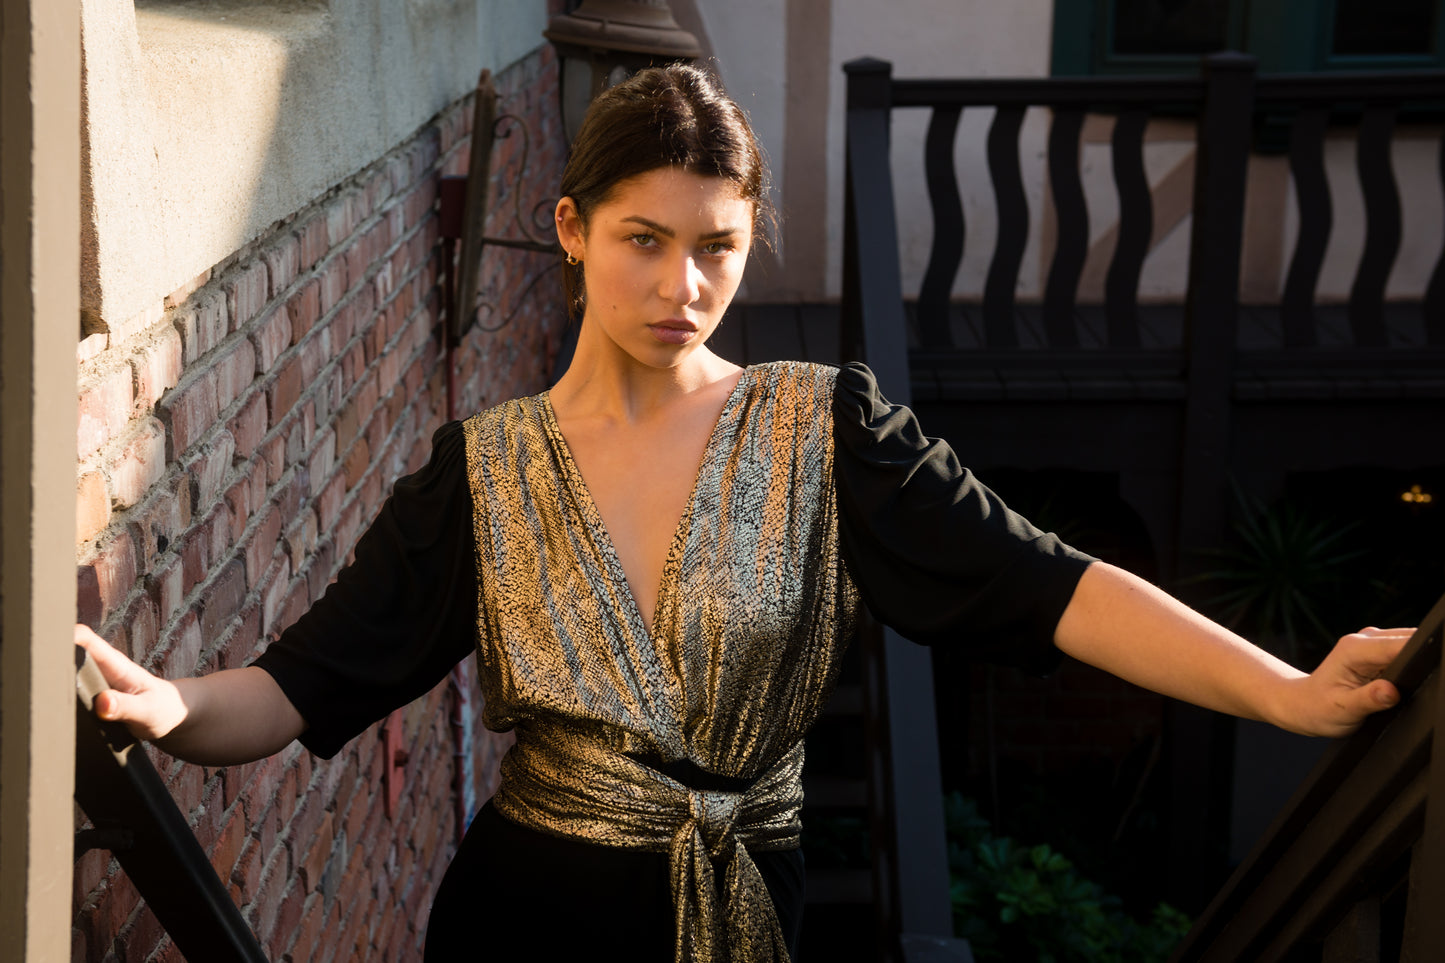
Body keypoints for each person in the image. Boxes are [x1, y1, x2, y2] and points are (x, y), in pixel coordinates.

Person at [76, 64, 1411, 963]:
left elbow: (1051, 587)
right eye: (643, 239)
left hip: (740, 916)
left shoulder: (826, 434)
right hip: (521, 924)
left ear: (750, 234)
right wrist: (168, 708)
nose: (682, 284)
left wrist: (1289, 692)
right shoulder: (479, 471)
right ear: (570, 230)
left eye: (715, 244)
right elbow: (301, 685)